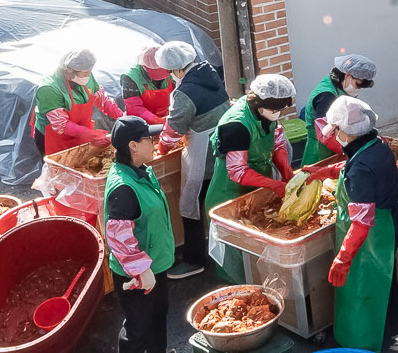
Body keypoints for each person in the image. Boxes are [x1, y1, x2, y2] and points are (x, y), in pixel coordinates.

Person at [103, 117, 193, 353]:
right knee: (136, 328)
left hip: (156, 264)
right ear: (133, 146)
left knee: (158, 313)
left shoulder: (142, 171)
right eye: (148, 140)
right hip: (136, 273)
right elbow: (118, 234)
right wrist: (140, 270)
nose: (153, 144)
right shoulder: (123, 187)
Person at [314, 96, 398, 353]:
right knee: (387, 279)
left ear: (346, 132)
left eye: (336, 129)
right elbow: (352, 166)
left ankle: (366, 347)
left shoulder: (360, 166)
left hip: (372, 236)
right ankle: (396, 332)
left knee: (365, 288)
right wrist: (322, 172)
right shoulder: (377, 145)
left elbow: (361, 223)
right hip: (391, 221)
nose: (334, 134)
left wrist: (343, 258)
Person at [203, 73, 297, 279]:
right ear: (259, 105)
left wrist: (286, 172)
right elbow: (238, 172)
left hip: (258, 185)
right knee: (237, 255)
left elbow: (278, 142)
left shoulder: (268, 113)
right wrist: (274, 184)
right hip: (229, 191)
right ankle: (236, 288)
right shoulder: (236, 124)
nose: (278, 114)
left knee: (258, 249)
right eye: (275, 110)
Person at [159, 41, 227, 276]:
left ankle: (195, 259)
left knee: (190, 204)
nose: (170, 76)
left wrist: (161, 148)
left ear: (177, 70)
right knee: (218, 201)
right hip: (223, 147)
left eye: (170, 71)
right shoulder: (210, 73)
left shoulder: (185, 92)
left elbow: (173, 130)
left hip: (202, 153)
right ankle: (223, 249)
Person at [33, 47, 123, 155]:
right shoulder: (49, 89)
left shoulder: (85, 76)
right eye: (85, 73)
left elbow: (102, 99)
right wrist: (93, 135)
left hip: (81, 131)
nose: (88, 76)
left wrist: (122, 116)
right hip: (54, 138)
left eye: (89, 72)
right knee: (59, 169)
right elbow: (61, 125)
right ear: (70, 71)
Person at [296, 52, 377, 167]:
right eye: (357, 85)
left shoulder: (341, 84)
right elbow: (326, 133)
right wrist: (355, 149)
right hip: (321, 152)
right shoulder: (325, 96)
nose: (358, 89)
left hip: (341, 145)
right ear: (348, 75)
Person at [117, 44, 181, 119]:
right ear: (143, 66)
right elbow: (135, 109)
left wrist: (173, 118)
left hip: (168, 116)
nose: (160, 78)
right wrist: (159, 121)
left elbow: (179, 98)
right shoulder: (131, 78)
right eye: (155, 71)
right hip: (142, 122)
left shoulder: (171, 70)